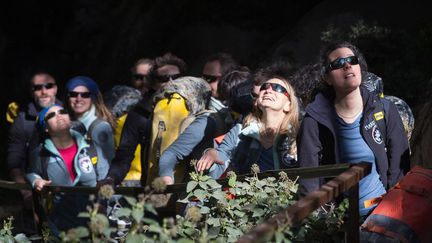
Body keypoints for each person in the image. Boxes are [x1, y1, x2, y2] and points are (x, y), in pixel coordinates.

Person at [296, 41, 411, 218]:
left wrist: (392, 207)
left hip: (383, 212)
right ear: (327, 78)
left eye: (352, 60)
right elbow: (309, 177)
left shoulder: (384, 109)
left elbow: (399, 167)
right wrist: (321, 220)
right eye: (338, 63)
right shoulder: (314, 120)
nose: (348, 65)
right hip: (340, 220)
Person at [196, 65, 300, 178]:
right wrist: (212, 154)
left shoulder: (298, 136)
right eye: (264, 87)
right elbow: (219, 164)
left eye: (277, 88)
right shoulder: (240, 131)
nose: (268, 90)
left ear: (288, 105)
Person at [104, 53, 187, 186]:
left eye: (176, 78)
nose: (171, 83)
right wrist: (111, 179)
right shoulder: (140, 113)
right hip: (153, 188)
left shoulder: (197, 108)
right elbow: (124, 155)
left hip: (188, 188)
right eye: (163, 79)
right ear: (153, 84)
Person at [26, 105, 109, 235]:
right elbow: (31, 173)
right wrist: (36, 180)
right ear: (45, 128)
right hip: (61, 229)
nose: (58, 115)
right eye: (51, 115)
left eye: (62, 112)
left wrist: (104, 205)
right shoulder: (40, 155)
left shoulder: (92, 147)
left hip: (96, 224)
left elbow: (106, 179)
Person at [7, 72, 61, 233]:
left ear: (56, 89)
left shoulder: (68, 113)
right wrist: (26, 194)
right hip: (35, 194)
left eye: (48, 86)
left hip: (67, 194)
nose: (44, 91)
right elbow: (14, 162)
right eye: (37, 88)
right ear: (32, 92)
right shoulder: (22, 122)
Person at [65, 76, 116, 163]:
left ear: (93, 98)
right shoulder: (64, 122)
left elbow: (108, 162)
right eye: (73, 94)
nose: (78, 99)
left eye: (85, 95)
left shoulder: (100, 127)